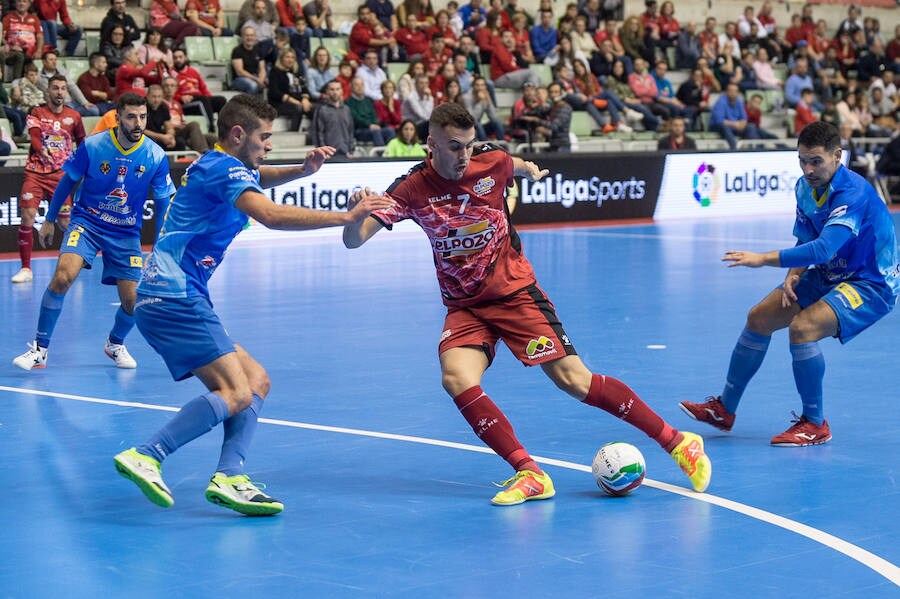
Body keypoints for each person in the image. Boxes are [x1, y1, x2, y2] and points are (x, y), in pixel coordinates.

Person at [342, 102, 712, 505]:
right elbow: (354, 240)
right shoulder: (411, 189)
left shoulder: (492, 163)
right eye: (453, 147)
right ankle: (530, 473)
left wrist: (529, 169)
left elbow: (510, 163)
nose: (463, 156)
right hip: (465, 306)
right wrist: (351, 217)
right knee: (457, 377)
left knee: (575, 381)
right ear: (430, 144)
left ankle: (677, 441)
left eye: (468, 146)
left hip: (515, 293)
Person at [112, 94, 394, 515]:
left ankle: (231, 477)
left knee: (256, 381)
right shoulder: (224, 168)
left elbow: (255, 177)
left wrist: (302, 171)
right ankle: (148, 454)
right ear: (238, 134)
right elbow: (270, 215)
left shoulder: (220, 164)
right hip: (175, 296)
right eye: (264, 137)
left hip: (172, 295)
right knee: (235, 391)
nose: (268, 144)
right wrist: (347, 217)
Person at [680, 121, 899, 447]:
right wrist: (792, 274)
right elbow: (807, 237)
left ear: (837, 155)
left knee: (803, 328)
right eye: (802, 160)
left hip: (871, 282)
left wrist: (761, 258)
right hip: (830, 274)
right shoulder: (804, 188)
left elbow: (824, 247)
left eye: (816, 161)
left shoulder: (853, 193)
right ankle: (724, 409)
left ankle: (815, 424)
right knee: (759, 317)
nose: (808, 169)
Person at [12, 92, 174, 370]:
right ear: (118, 117)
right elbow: (68, 181)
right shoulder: (93, 145)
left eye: (143, 117)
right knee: (63, 277)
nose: (138, 123)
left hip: (125, 233)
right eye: (132, 117)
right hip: (87, 223)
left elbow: (162, 204)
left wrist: (159, 248)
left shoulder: (156, 155)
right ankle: (40, 349)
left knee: (134, 300)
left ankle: (114, 344)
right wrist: (50, 218)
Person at [10, 74, 84, 285]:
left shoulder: (75, 117)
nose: (59, 92)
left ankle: (73, 263)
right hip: (35, 172)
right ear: (47, 91)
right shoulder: (37, 112)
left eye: (63, 88)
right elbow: (34, 136)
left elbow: (83, 143)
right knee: (28, 214)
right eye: (55, 88)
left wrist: (82, 166)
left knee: (65, 223)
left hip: (61, 176)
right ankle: (25, 268)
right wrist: (42, 150)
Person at [347, 76, 394, 147]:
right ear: (351, 87)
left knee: (389, 131)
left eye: (362, 84)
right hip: (359, 130)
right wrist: (369, 125)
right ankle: (382, 156)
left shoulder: (368, 101)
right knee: (376, 132)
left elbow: (374, 115)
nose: (360, 87)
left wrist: (375, 124)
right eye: (356, 85)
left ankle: (392, 155)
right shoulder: (348, 102)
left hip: (373, 128)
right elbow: (355, 118)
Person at [3, 0, 44, 81]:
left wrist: (39, 50)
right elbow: (1, 37)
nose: (21, 3)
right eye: (19, 1)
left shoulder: (34, 19)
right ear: (15, 3)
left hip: (30, 51)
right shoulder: (8, 18)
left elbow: (40, 36)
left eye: (24, 1)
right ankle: (17, 83)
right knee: (21, 56)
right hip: (13, 52)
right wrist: (11, 46)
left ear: (29, 4)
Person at [311, 79, 354, 156]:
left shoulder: (346, 109)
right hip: (328, 154)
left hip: (345, 153)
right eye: (332, 89)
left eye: (337, 89)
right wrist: (323, 152)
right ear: (327, 91)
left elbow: (350, 131)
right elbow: (318, 133)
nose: (335, 92)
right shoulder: (321, 109)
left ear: (341, 91)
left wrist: (350, 150)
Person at [231, 27, 267, 96]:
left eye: (252, 35)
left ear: (255, 37)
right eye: (247, 35)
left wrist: (261, 79)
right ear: (242, 37)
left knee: (271, 82)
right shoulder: (237, 51)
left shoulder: (258, 50)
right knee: (253, 86)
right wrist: (257, 79)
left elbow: (262, 68)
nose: (249, 38)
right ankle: (250, 106)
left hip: (255, 76)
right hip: (240, 79)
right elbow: (240, 72)